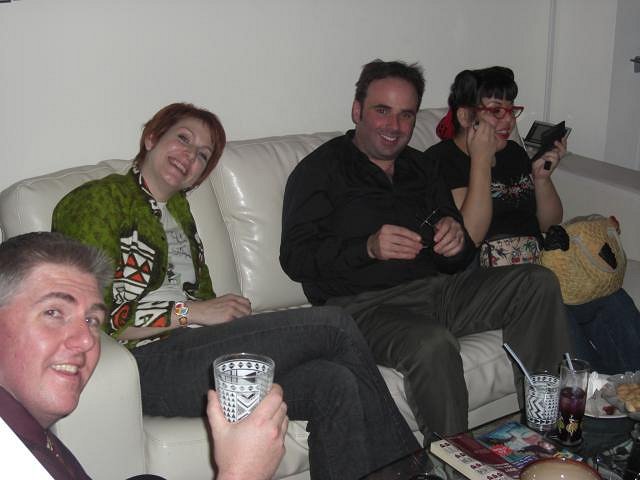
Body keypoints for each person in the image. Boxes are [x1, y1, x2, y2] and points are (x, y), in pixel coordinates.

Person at [52, 103, 420, 480]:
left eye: (202, 155)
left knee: (332, 382)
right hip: (145, 363)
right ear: (151, 137)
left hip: (197, 354)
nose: (189, 156)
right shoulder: (95, 201)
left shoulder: (177, 210)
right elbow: (95, 316)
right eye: (183, 139)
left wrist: (224, 318)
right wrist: (192, 312)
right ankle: (411, 469)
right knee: (334, 325)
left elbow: (204, 301)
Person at [280, 59, 572, 439]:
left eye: (406, 115)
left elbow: (459, 256)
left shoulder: (421, 167)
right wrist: (367, 248)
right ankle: (454, 459)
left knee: (536, 282)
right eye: (382, 110)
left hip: (438, 291)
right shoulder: (320, 171)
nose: (394, 125)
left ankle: (545, 429)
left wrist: (455, 240)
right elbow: (295, 258)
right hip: (363, 308)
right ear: (357, 110)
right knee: (432, 343)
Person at [0, 231, 287, 480]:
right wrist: (243, 472)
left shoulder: (32, 435)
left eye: (91, 321)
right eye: (53, 312)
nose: (87, 340)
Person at [431, 65, 640, 374]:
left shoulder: (513, 153)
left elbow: (548, 222)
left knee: (611, 299)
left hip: (540, 265)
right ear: (464, 116)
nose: (508, 121)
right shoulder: (440, 161)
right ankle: (586, 397)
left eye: (511, 110)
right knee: (555, 310)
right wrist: (481, 160)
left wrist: (541, 179)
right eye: (496, 111)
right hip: (493, 281)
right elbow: (470, 233)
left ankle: (628, 391)